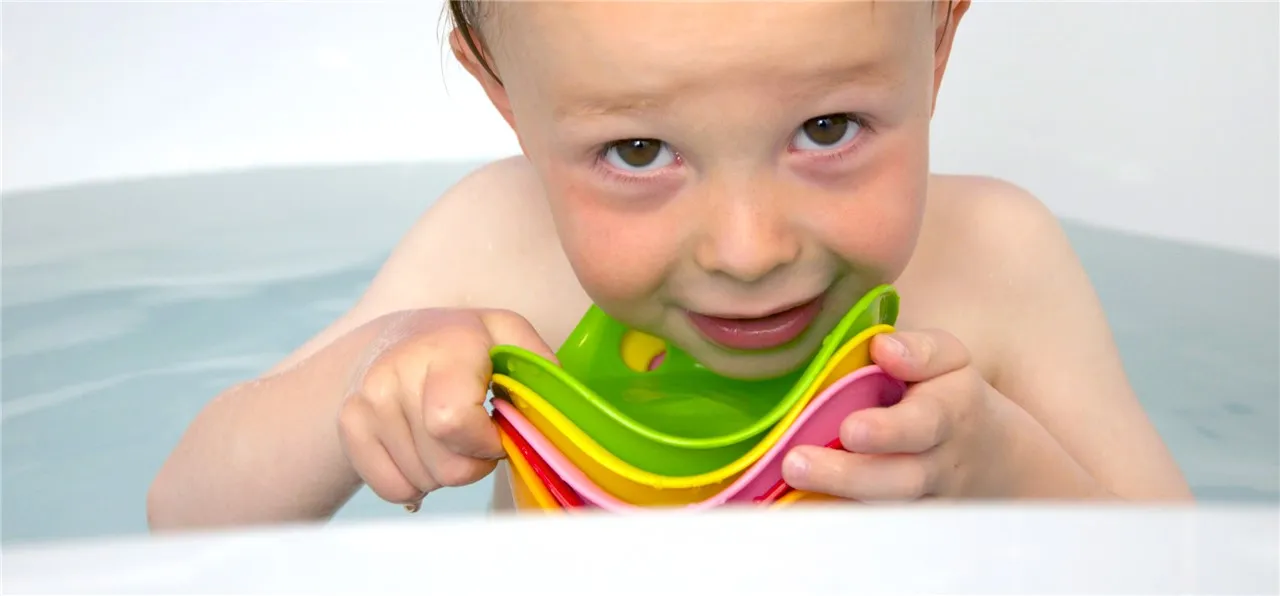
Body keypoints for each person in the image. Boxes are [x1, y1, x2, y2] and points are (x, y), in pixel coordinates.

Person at [146, 0, 1192, 531]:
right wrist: (368, 376)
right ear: (506, 94)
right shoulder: (491, 248)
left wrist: (1005, 469)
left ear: (936, 42)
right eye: (638, 151)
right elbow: (186, 516)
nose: (749, 250)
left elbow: (1192, 570)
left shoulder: (999, 260)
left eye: (827, 129)